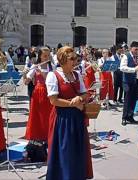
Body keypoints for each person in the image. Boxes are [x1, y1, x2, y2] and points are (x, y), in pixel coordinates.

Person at [45, 46, 93, 180]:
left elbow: (85, 93)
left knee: (78, 150)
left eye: (75, 58)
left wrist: (81, 98)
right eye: (71, 59)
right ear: (62, 59)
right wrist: (73, 103)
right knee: (65, 151)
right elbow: (53, 100)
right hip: (62, 120)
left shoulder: (76, 74)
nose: (75, 61)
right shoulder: (53, 75)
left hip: (77, 118)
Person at [23, 47, 53, 143]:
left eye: (48, 55)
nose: (47, 57)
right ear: (40, 56)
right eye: (45, 56)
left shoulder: (52, 66)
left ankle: (49, 136)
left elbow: (50, 81)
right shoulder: (35, 66)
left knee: (48, 116)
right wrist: (24, 74)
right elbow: (26, 82)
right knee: (37, 116)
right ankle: (38, 137)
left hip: (49, 93)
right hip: (37, 93)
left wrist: (41, 73)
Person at [120, 41, 138, 126]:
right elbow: (122, 68)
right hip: (127, 81)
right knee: (127, 100)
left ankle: (131, 116)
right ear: (131, 49)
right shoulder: (126, 56)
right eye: (135, 49)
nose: (137, 51)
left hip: (137, 80)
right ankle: (124, 117)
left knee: (136, 100)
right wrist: (134, 69)